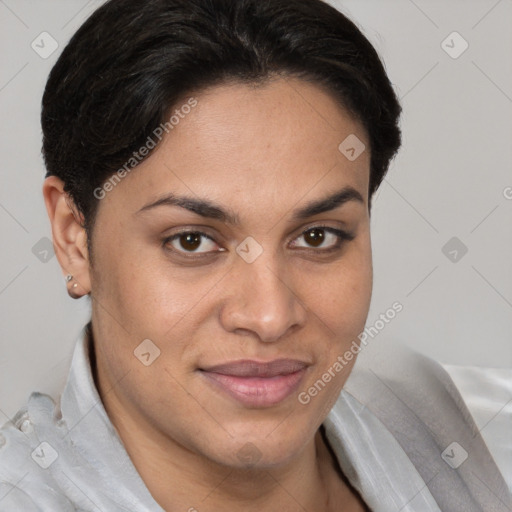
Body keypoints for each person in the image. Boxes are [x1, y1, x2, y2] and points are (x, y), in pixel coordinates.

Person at [0, 0, 510, 510]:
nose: (269, 317)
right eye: (192, 241)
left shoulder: (426, 412)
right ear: (73, 239)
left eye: (317, 237)